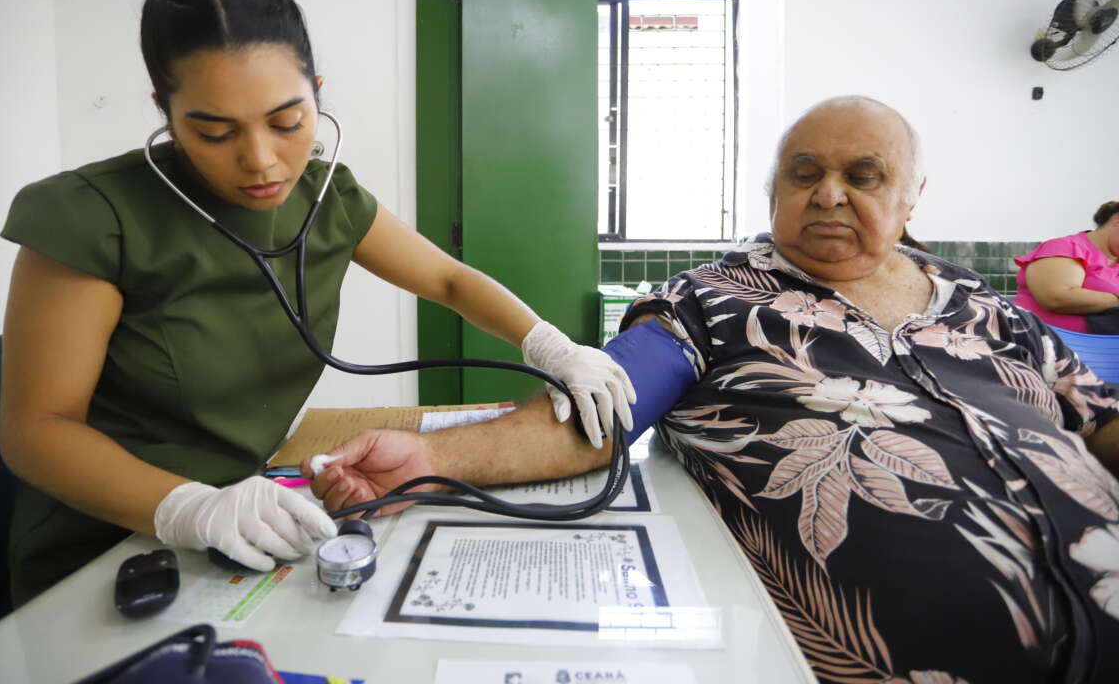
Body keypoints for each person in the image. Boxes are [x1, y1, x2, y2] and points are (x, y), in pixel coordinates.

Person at [307, 96, 1119, 684]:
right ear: (771, 190)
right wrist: (424, 458)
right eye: (805, 173)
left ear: (912, 198)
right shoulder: (716, 298)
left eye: (863, 176)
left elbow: (1100, 419)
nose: (830, 193)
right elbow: (598, 410)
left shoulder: (981, 302)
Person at [0, 0, 633, 606]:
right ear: (166, 113)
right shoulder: (92, 216)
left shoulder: (328, 198)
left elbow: (447, 278)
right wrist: (186, 508)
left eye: (287, 121)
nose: (262, 160)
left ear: (317, 94)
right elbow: (37, 429)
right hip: (114, 544)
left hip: (262, 516)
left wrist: (551, 345)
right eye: (214, 133)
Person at [1014, 201, 1119, 333]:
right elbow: (1056, 298)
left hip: (1104, 349)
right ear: (1117, 219)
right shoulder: (1065, 246)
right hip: (1042, 340)